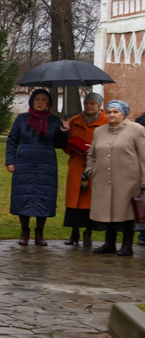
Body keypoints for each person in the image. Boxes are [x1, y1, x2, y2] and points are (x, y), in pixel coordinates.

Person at [6, 87, 64, 247]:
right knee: (23, 197)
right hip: (24, 163)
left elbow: (60, 144)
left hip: (46, 165)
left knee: (43, 198)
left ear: (49, 103)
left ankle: (40, 233)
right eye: (37, 99)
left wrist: (64, 131)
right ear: (32, 101)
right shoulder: (22, 119)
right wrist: (10, 161)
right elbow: (12, 140)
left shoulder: (54, 120)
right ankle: (25, 232)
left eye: (44, 99)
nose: (40, 102)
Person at [86, 99, 145, 256]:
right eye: (109, 111)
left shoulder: (136, 130)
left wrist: (144, 181)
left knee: (127, 213)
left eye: (116, 112)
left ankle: (127, 245)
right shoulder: (99, 131)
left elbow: (143, 157)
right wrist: (91, 171)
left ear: (123, 114)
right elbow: (91, 154)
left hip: (129, 180)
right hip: (103, 179)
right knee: (108, 211)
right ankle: (109, 243)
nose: (112, 115)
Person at [60, 92, 106, 247]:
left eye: (93, 103)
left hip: (95, 167)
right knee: (75, 202)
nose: (89, 106)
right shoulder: (74, 121)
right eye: (87, 103)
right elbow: (65, 145)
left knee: (90, 201)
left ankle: (88, 233)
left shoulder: (105, 121)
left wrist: (93, 150)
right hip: (77, 165)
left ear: (99, 105)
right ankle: (74, 232)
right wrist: (69, 141)